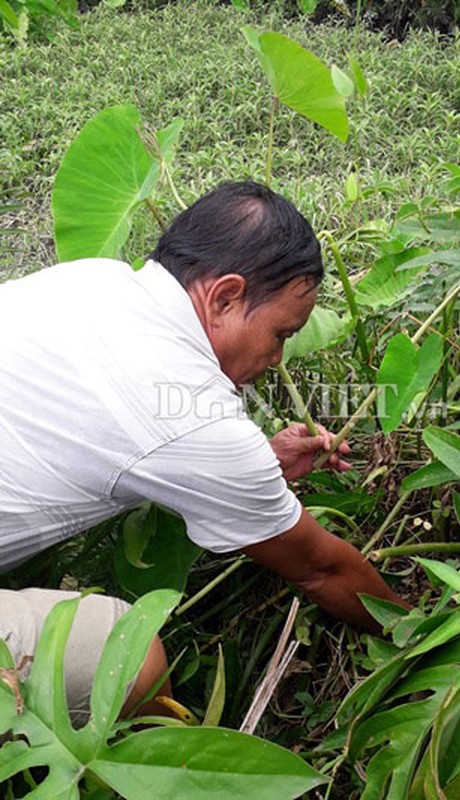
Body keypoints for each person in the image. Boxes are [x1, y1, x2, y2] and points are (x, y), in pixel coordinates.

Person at [0, 180, 408, 724]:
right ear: (224, 296)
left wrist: (258, 461)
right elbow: (319, 569)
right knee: (128, 657)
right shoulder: (194, 419)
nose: (277, 357)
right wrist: (421, 632)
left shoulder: (95, 280)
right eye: (281, 333)